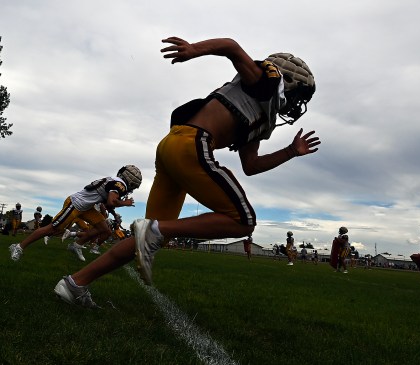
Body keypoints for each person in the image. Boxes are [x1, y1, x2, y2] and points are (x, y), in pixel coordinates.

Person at [53, 36, 319, 308]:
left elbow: (251, 166)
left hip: (173, 147)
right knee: (243, 219)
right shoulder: (265, 80)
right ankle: (153, 231)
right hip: (193, 143)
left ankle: (75, 283)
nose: (296, 106)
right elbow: (231, 46)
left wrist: (290, 152)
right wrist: (194, 50)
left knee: (149, 238)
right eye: (299, 96)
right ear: (290, 82)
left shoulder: (262, 112)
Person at [9, 165, 141, 262]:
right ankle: (19, 246)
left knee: (104, 229)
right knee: (52, 229)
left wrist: (114, 213)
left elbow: (107, 203)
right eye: (134, 185)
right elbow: (112, 201)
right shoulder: (120, 184)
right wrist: (126, 203)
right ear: (131, 181)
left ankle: (76, 245)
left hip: (86, 207)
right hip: (76, 204)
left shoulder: (114, 180)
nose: (133, 188)